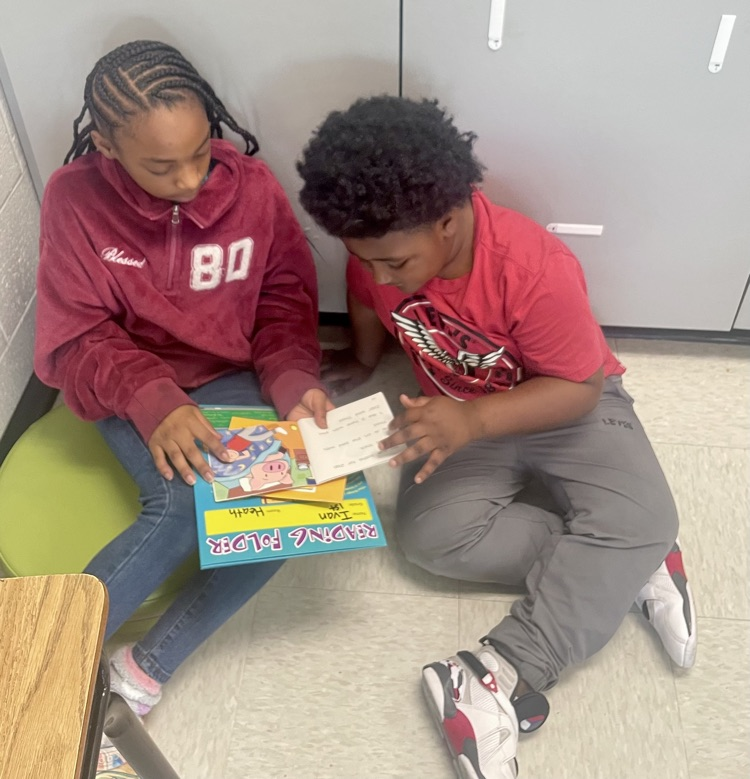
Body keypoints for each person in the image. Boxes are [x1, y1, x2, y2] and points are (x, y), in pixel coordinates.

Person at [296, 95, 696, 779]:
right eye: (366, 258)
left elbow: (581, 386)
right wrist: (364, 360)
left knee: (651, 514)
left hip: (562, 404)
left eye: (395, 262)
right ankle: (624, 563)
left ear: (448, 224)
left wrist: (475, 419)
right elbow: (361, 291)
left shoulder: (533, 268)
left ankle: (501, 667)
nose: (379, 275)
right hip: (460, 413)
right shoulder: (374, 249)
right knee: (429, 540)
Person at [34, 40, 331, 771]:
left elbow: (286, 299)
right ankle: (37, 666)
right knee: (176, 502)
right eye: (161, 166)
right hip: (128, 385)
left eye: (201, 152)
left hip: (230, 378)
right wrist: (147, 396)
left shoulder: (252, 187)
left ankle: (140, 673)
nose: (191, 178)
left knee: (290, 509)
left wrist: (292, 379)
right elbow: (75, 336)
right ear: (105, 146)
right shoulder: (73, 200)